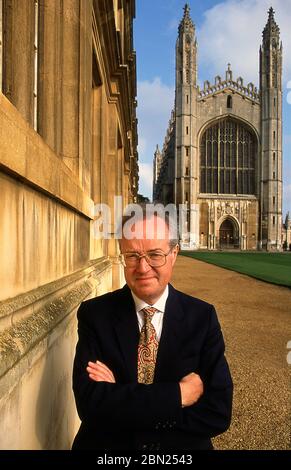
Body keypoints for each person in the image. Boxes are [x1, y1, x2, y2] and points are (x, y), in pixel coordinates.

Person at [72, 207, 233, 451]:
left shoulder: (202, 317)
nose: (143, 267)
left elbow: (217, 412)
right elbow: (90, 406)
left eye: (155, 255)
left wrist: (121, 399)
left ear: (174, 254)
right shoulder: (95, 315)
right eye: (132, 256)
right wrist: (178, 395)